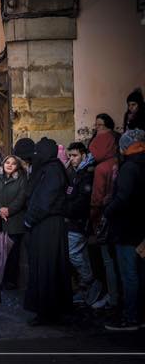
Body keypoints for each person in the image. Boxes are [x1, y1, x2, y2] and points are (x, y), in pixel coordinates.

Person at [23, 137, 72, 325]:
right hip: (48, 223)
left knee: (46, 268)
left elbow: (45, 200)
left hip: (47, 225)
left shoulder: (51, 170)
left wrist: (30, 220)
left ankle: (47, 311)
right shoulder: (52, 168)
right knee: (48, 267)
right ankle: (50, 309)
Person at [104, 129, 145, 331]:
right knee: (139, 273)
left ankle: (131, 317)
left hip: (128, 228)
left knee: (129, 274)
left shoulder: (129, 167)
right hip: (140, 228)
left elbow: (123, 198)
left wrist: (108, 210)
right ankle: (138, 315)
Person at [63, 142, 102, 306]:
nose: (72, 159)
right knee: (80, 254)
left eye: (75, 156)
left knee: (73, 254)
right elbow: (69, 193)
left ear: (84, 155)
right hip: (73, 221)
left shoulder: (87, 174)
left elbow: (82, 202)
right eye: (69, 156)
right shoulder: (76, 173)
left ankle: (90, 282)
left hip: (79, 222)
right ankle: (86, 288)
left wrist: (66, 210)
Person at [88, 121, 120, 310]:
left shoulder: (101, 168)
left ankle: (113, 297)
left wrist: (94, 220)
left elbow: (96, 199)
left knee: (107, 262)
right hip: (120, 220)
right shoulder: (118, 162)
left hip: (104, 219)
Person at [0, 155, 28, 290]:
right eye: (7, 162)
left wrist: (9, 210)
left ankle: (10, 281)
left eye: (13, 163)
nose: (9, 165)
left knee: (13, 254)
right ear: (3, 163)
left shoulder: (22, 178)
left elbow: (22, 197)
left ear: (17, 166)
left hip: (15, 221)